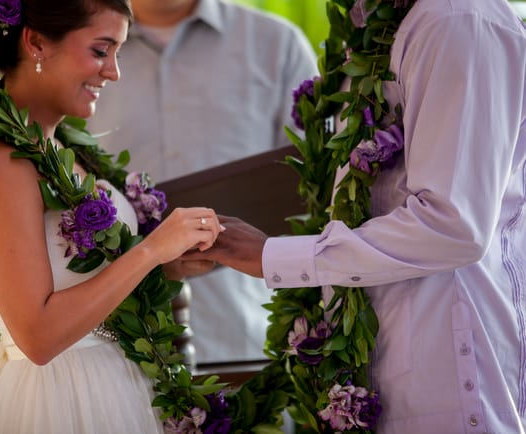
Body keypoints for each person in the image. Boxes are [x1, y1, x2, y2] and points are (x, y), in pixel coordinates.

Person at [190, 0, 526, 432]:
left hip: (448, 345)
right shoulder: (378, 22)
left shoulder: (456, 17)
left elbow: (453, 224)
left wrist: (274, 257)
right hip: (381, 341)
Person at [0, 0, 224, 432]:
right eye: (100, 50)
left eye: (117, 53)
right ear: (36, 42)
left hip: (121, 388)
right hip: (59, 400)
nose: (113, 72)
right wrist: (150, 251)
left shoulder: (63, 152)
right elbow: (37, 337)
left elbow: (92, 288)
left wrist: (168, 265)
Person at [88, 0, 319, 365]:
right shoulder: (76, 50)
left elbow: (319, 194)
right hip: (109, 354)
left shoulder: (276, 44)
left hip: (248, 343)